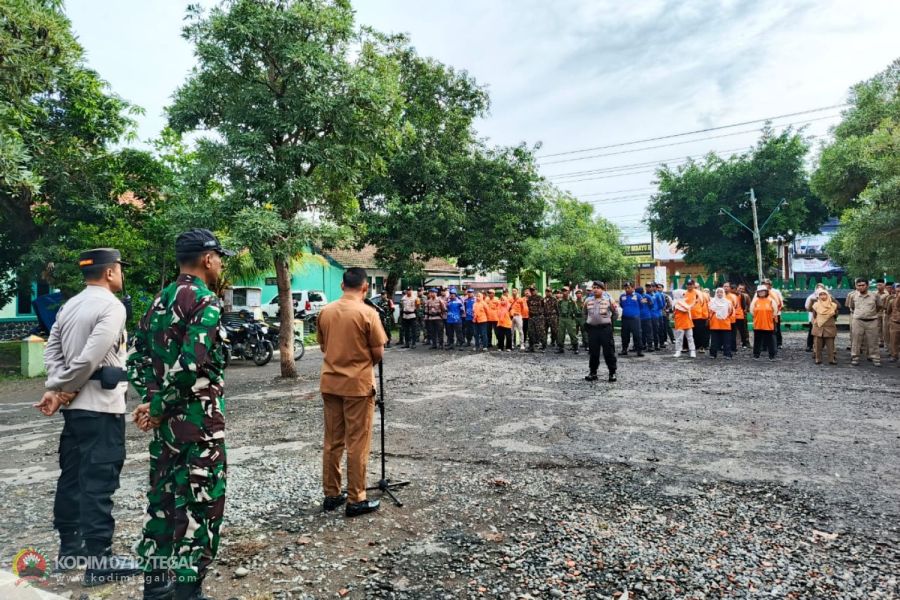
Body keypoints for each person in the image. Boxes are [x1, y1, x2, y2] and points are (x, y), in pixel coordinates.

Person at [128, 230, 233, 599]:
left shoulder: (160, 300)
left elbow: (136, 357)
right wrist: (156, 408)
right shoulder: (205, 301)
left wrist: (152, 402)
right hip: (199, 428)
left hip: (167, 433)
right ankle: (188, 592)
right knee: (203, 510)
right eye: (219, 257)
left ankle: (156, 587)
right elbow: (190, 366)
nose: (220, 264)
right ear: (207, 259)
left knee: (163, 504)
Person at [38, 248, 140, 586]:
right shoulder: (112, 306)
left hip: (75, 411)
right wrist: (63, 388)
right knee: (99, 480)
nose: (121, 274)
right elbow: (89, 359)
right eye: (119, 269)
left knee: (72, 478)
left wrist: (57, 387)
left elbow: (52, 351)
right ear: (110, 272)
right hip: (101, 407)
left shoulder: (70, 305)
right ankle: (100, 561)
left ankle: (70, 550)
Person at [311, 267, 386, 523]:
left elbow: (324, 346)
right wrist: (359, 365)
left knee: (333, 441)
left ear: (342, 285)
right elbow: (378, 353)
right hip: (358, 386)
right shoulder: (368, 313)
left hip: (330, 383)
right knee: (357, 443)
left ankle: (332, 494)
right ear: (365, 287)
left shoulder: (326, 311)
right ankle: (356, 498)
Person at [584, 282, 618, 382]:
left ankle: (612, 372)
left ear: (602, 289)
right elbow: (584, 313)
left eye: (598, 288)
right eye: (594, 287)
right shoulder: (588, 300)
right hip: (593, 330)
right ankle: (593, 372)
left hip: (605, 329)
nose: (595, 289)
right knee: (593, 352)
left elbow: (615, 313)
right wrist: (589, 321)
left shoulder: (609, 300)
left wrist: (608, 321)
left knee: (609, 351)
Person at [846, 277, 883, 366]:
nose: (861, 287)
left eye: (863, 285)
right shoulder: (853, 295)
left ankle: (875, 358)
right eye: (859, 285)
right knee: (856, 340)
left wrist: (871, 313)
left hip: (872, 320)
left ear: (867, 286)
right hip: (858, 320)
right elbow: (852, 307)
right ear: (856, 286)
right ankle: (855, 357)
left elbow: (879, 306)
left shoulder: (874, 295)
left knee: (873, 340)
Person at [810, 288, 838, 365]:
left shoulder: (833, 305)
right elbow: (814, 315)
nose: (823, 296)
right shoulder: (815, 305)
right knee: (817, 345)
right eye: (821, 295)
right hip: (818, 327)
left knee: (830, 345)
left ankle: (831, 359)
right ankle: (818, 359)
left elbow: (836, 315)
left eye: (824, 294)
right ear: (818, 296)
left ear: (828, 295)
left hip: (829, 327)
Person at [750, 285, 778, 361]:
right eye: (759, 291)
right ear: (757, 293)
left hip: (768, 324)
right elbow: (752, 311)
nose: (761, 292)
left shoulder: (771, 300)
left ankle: (772, 355)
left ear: (766, 292)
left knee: (770, 341)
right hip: (758, 324)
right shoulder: (755, 301)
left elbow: (775, 312)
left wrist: (769, 318)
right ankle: (756, 355)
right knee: (757, 340)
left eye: (762, 291)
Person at [707, 288, 735, 359]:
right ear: (716, 293)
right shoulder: (712, 302)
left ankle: (727, 354)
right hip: (715, 324)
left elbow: (731, 312)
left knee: (727, 341)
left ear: (723, 293)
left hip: (725, 324)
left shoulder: (728, 302)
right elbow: (709, 312)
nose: (719, 294)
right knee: (714, 341)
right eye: (718, 292)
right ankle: (713, 354)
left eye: (721, 292)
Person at [618, 282, 643, 356]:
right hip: (625, 319)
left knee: (637, 335)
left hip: (635, 319)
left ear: (633, 288)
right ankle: (624, 350)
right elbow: (621, 305)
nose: (627, 289)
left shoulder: (638, 296)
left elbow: (641, 305)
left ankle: (639, 351)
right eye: (625, 288)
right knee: (624, 335)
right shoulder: (622, 296)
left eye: (628, 288)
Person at [685, 280, 708, 354]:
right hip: (687, 316)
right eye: (688, 284)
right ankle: (686, 346)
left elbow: (704, 305)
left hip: (698, 316)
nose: (689, 286)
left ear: (693, 285)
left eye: (691, 284)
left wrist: (705, 316)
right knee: (687, 332)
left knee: (699, 332)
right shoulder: (684, 293)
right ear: (686, 285)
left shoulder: (699, 293)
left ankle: (701, 347)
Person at [671, 288, 695, 358]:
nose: (684, 295)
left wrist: (693, 302)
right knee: (679, 338)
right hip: (680, 323)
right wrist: (694, 302)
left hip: (687, 322)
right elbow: (686, 309)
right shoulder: (676, 303)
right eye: (683, 294)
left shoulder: (683, 302)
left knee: (690, 338)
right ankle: (678, 351)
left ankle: (692, 351)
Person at [803, 284, 827, 352]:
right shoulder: (811, 297)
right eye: (818, 288)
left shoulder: (827, 297)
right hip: (813, 318)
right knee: (811, 332)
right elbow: (807, 307)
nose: (819, 290)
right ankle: (809, 346)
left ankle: (821, 346)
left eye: (821, 288)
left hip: (823, 318)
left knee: (823, 333)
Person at [762, 279, 785, 349]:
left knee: (776, 329)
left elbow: (780, 303)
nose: (765, 285)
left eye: (766, 284)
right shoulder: (760, 292)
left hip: (775, 314)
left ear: (770, 285)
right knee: (764, 329)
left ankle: (778, 343)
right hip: (764, 314)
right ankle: (765, 344)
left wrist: (776, 312)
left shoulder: (776, 292)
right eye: (763, 284)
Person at [557, 287, 580, 354]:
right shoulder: (560, 301)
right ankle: (560, 348)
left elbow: (576, 310)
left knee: (572, 333)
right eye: (563, 291)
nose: (564, 292)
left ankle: (575, 347)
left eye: (565, 291)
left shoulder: (572, 301)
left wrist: (573, 316)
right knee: (560, 334)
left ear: (568, 292)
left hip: (570, 319)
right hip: (562, 319)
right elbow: (558, 309)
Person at [526, 286, 546, 352]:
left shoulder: (540, 298)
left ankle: (543, 346)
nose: (532, 291)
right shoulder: (529, 299)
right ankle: (531, 347)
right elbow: (528, 306)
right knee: (530, 332)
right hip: (531, 317)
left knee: (541, 332)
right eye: (531, 290)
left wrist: (541, 315)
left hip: (539, 317)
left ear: (536, 291)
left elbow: (544, 307)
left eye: (533, 290)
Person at [722, 282, 741, 353]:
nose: (725, 288)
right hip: (723, 319)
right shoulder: (720, 295)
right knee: (724, 334)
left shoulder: (733, 296)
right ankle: (724, 347)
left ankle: (733, 348)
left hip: (732, 319)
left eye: (727, 286)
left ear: (730, 288)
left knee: (732, 334)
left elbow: (736, 306)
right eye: (724, 286)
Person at [636, 286, 655, 352]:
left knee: (646, 332)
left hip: (644, 317)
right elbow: (652, 305)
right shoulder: (645, 296)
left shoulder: (646, 296)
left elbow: (652, 305)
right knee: (644, 332)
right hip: (643, 317)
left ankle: (649, 346)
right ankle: (645, 345)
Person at [886, 284, 900, 364]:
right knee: (894, 341)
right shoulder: (891, 300)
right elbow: (888, 311)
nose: (899, 293)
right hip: (895, 323)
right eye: (897, 291)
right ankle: (894, 355)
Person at [735, 284, 752, 349]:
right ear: (737, 288)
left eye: (742, 289)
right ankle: (736, 343)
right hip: (734, 315)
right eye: (740, 288)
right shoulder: (734, 295)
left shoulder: (746, 296)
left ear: (744, 290)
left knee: (744, 330)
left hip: (743, 315)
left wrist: (746, 310)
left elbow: (749, 305)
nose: (741, 290)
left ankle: (746, 343)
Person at [875, 278, 889, 348]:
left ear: (884, 285)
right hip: (877, 312)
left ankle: (887, 342)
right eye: (877, 285)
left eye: (880, 285)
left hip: (885, 312)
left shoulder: (887, 293)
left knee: (885, 328)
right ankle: (880, 341)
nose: (879, 286)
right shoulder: (874, 293)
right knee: (878, 327)